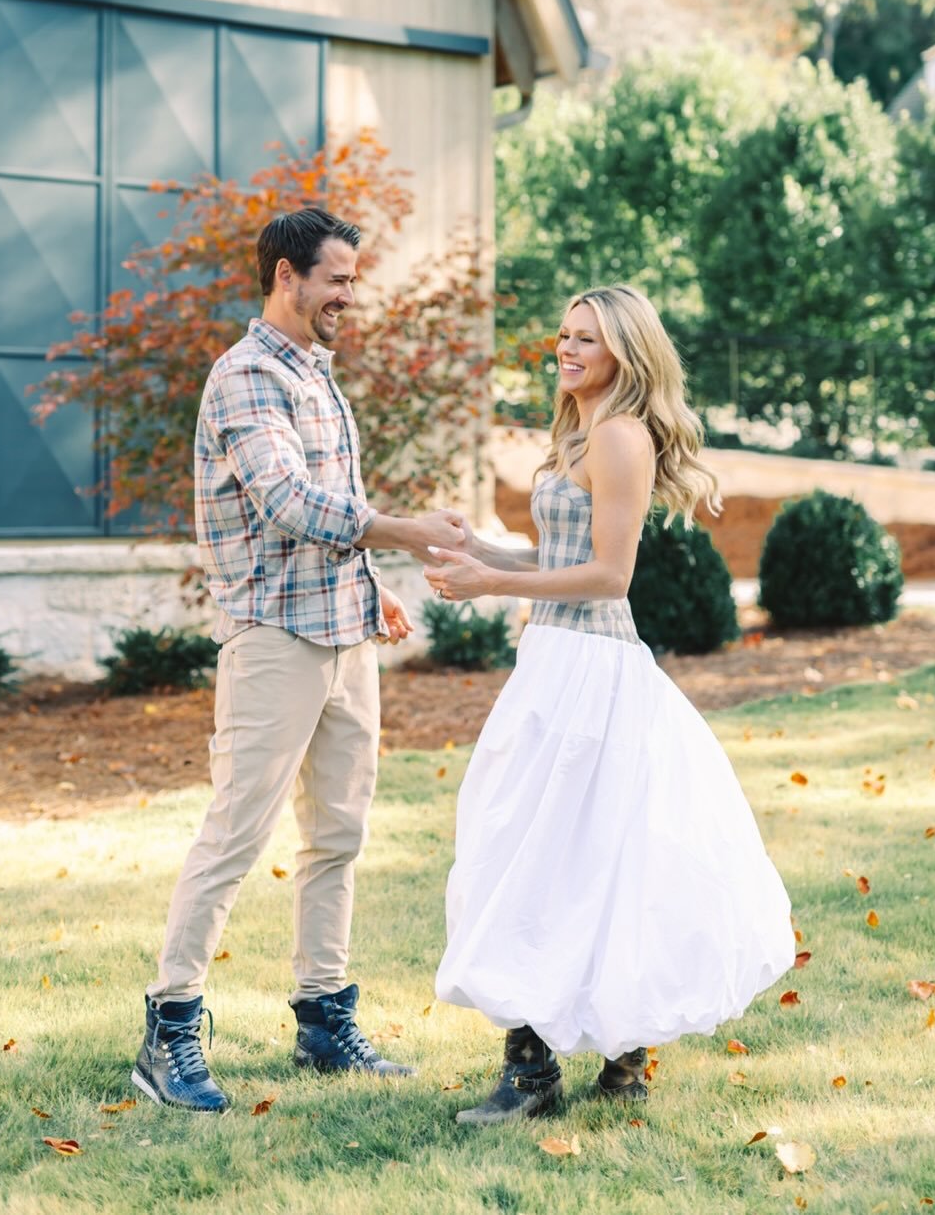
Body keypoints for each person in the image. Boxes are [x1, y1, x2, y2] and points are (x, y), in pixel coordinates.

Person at [423, 284, 794, 1126]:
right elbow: (557, 553)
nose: (567, 348)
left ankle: (556, 1070)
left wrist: (489, 584)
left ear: (625, 352)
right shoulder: (577, 435)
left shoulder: (622, 436)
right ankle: (574, 1061)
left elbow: (608, 577)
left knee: (570, 854)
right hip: (551, 661)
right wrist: (473, 550)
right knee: (530, 846)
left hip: (593, 666)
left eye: (586, 338)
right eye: (563, 335)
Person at [133, 208, 467, 1113]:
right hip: (274, 646)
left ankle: (324, 1021)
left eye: (353, 281)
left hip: (345, 635)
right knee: (235, 838)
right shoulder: (244, 377)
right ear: (287, 276)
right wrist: (403, 531)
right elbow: (289, 502)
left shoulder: (317, 378)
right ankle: (168, 1033)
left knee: (339, 840)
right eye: (338, 280)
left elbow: (333, 510)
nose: (349, 298)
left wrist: (375, 581)